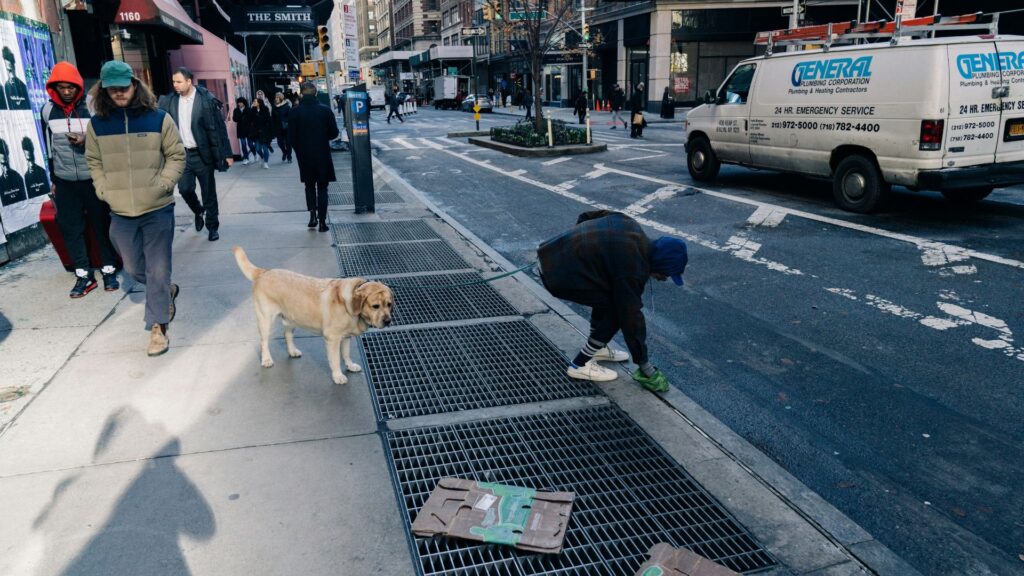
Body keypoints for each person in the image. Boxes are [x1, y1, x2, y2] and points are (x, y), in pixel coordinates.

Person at [85, 60, 185, 357]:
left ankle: (158, 328)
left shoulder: (158, 118)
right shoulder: (98, 124)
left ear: (134, 84)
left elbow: (176, 156)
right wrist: (104, 190)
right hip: (121, 212)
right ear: (104, 91)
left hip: (157, 209)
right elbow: (94, 161)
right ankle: (164, 291)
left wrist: (163, 184)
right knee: (132, 268)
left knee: (158, 269)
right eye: (112, 88)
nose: (118, 92)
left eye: (123, 86)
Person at [536, 210, 688, 392]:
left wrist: (578, 246)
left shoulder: (631, 225)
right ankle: (580, 364)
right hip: (557, 276)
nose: (662, 279)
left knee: (607, 290)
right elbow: (632, 320)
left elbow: (586, 216)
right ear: (660, 264)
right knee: (618, 311)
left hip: (549, 254)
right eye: (664, 275)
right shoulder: (632, 269)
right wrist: (644, 365)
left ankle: (598, 347)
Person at [41, 61, 120, 297]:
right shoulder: (47, 111)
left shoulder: (92, 107)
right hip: (65, 181)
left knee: (101, 225)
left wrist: (87, 138)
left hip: (92, 178)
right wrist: (53, 177)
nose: (67, 92)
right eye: (62, 88)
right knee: (71, 228)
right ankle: (83, 275)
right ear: (55, 87)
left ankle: (108, 269)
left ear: (78, 87)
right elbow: (48, 147)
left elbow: (107, 138)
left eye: (71, 87)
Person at [158, 67, 233, 242]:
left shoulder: (206, 100)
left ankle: (212, 226)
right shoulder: (168, 102)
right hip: (181, 155)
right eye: (174, 82)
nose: (175, 85)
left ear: (189, 81)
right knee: (184, 189)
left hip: (202, 154)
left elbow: (220, 129)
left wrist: (227, 153)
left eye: (178, 81)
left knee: (209, 193)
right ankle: (198, 210)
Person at [288, 82, 338, 232]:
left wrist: (299, 150)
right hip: (322, 153)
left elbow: (291, 137)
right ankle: (322, 222)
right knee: (322, 187)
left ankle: (312, 215)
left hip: (304, 155)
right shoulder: (325, 110)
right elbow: (334, 133)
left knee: (309, 186)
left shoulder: (294, 112)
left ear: (301, 94)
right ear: (316, 93)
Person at [0, 138, 27, 206]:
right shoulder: (0, 181)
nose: (2, 155)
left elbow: (24, 200)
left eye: (3, 152)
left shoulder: (17, 177)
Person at [250, 95, 272, 168]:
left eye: (255, 101)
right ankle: (262, 157)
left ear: (259, 102)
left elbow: (268, 120)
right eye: (254, 101)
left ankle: (266, 162)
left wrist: (268, 130)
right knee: (257, 148)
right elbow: (251, 121)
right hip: (256, 133)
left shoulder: (265, 109)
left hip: (264, 132)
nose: (254, 102)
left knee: (265, 148)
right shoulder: (252, 110)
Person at [232, 97, 255, 165]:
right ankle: (246, 158)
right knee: (243, 144)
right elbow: (234, 119)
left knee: (250, 144)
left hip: (248, 129)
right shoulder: (236, 110)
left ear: (244, 102)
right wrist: (240, 116)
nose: (239, 104)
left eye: (241, 102)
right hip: (241, 129)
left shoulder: (248, 109)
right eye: (238, 102)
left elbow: (251, 118)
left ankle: (254, 153)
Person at [272, 92, 292, 164]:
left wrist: (285, 121)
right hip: (278, 127)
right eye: (275, 97)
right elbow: (273, 118)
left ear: (281, 98)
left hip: (286, 127)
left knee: (288, 143)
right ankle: (285, 152)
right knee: (279, 142)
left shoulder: (286, 106)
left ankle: (289, 157)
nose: (276, 99)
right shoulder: (274, 107)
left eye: (277, 97)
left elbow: (290, 117)